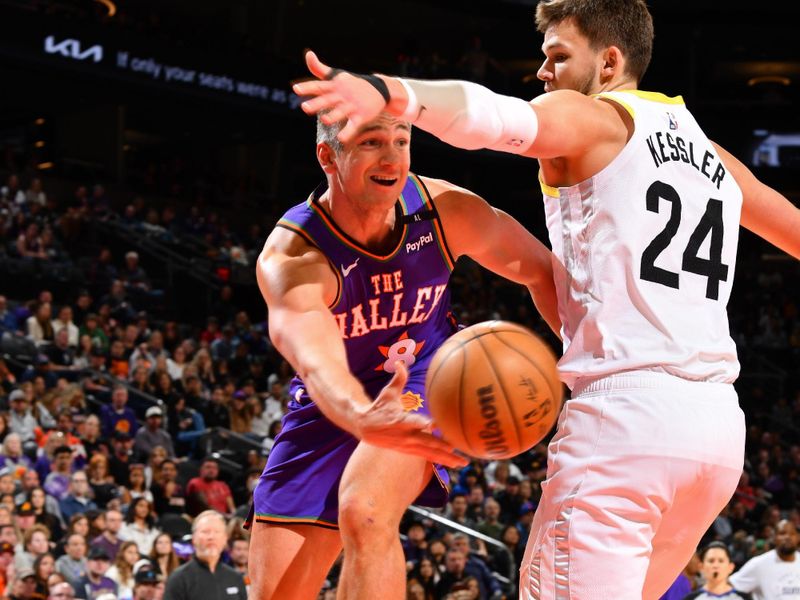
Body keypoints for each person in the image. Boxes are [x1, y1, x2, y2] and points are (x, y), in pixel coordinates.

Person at [293, 0, 800, 596]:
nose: (543, 73)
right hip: (715, 433)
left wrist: (389, 92)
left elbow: (490, 118)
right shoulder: (711, 156)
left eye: (559, 56)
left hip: (626, 420)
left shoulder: (596, 120)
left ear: (609, 62)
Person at [245, 104, 559, 599]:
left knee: (365, 509)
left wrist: (594, 365)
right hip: (334, 401)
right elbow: (312, 355)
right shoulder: (297, 255)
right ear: (329, 155)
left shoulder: (444, 210)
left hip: (427, 378)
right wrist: (359, 413)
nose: (392, 157)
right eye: (371, 142)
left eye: (401, 140)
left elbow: (544, 272)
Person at [163, 510, 246, 599]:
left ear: (225, 539)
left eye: (217, 532)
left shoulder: (235, 578)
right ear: (194, 538)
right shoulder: (179, 578)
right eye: (205, 532)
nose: (211, 537)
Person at [729, 519, 800, 599]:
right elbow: (727, 586)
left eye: (792, 534)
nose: (787, 537)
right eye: (782, 533)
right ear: (773, 538)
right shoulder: (758, 564)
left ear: (798, 537)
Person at [683, 541, 753, 600]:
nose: (716, 565)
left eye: (721, 561)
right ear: (701, 567)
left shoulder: (744, 598)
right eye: (711, 561)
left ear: (730, 567)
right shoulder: (690, 598)